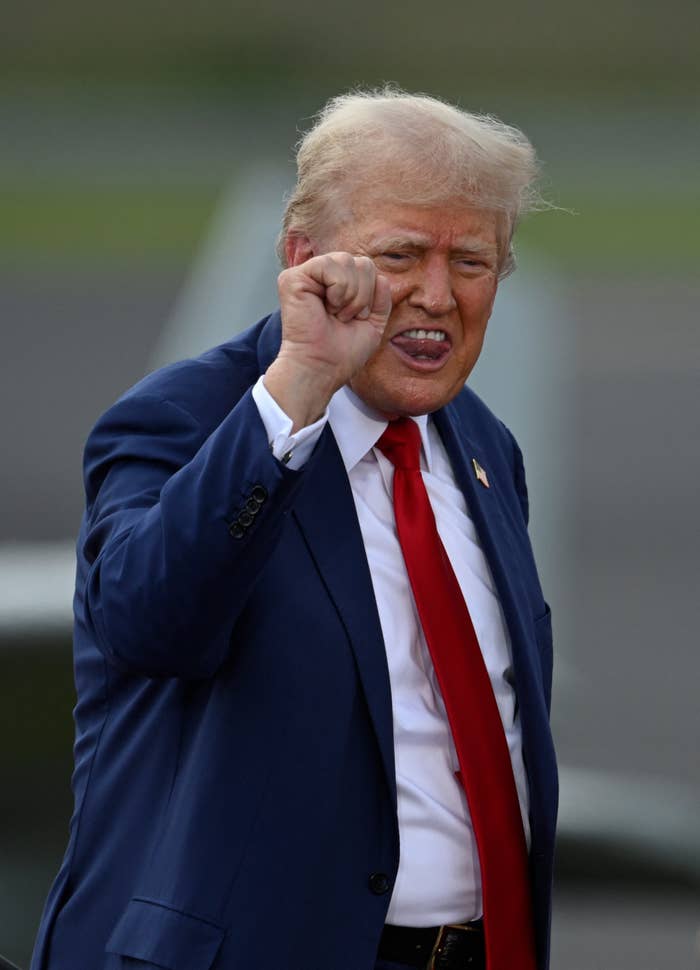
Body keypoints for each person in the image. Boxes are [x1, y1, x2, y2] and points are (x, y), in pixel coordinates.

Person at [31, 88, 557, 970]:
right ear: (304, 256)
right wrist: (300, 386)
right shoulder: (187, 418)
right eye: (401, 255)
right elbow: (148, 625)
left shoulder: (482, 445)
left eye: (472, 261)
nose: (437, 295)